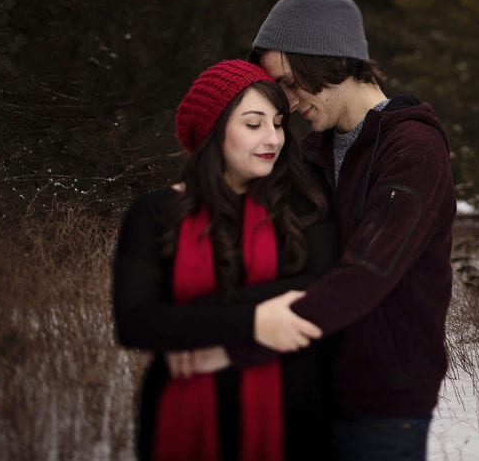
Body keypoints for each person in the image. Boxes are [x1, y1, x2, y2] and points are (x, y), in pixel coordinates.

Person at [248, 0, 457, 460]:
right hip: (316, 387)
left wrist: (267, 328)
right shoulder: (311, 151)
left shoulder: (413, 150)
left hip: (385, 397)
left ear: (325, 59)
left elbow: (372, 267)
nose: (286, 100)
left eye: (287, 82)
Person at [111, 59, 337, 461]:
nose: (273, 138)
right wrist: (257, 322)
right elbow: (136, 322)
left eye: (279, 123)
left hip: (291, 418)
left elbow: (323, 288)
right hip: (181, 413)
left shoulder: (301, 207)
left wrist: (196, 323)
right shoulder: (156, 213)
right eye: (253, 124)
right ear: (214, 131)